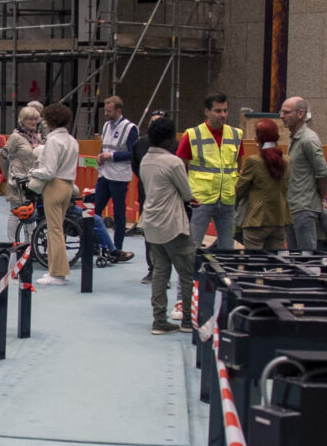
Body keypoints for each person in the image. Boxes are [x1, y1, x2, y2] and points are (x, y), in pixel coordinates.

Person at [137, 116, 196, 332]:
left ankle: (159, 321)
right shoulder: (173, 162)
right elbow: (187, 193)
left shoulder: (145, 160)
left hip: (151, 224)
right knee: (188, 273)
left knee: (160, 274)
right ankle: (189, 320)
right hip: (172, 225)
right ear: (170, 138)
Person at [183, 91, 242, 253]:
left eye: (225, 110)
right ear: (207, 112)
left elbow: (238, 165)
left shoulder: (236, 134)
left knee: (227, 249)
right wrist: (186, 195)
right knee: (193, 246)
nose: (223, 115)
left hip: (227, 199)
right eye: (218, 111)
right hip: (200, 200)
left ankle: (223, 278)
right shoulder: (192, 135)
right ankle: (188, 278)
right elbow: (180, 166)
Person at [35, 102, 81, 284]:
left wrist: (33, 172)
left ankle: (58, 273)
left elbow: (48, 171)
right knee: (57, 229)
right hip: (68, 185)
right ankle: (56, 269)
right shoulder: (72, 140)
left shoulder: (53, 141)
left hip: (54, 186)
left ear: (50, 120)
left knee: (54, 230)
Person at [281, 95, 327, 252]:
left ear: (300, 113)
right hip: (292, 207)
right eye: (281, 112)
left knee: (306, 259)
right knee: (294, 258)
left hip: (303, 209)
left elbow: (323, 173)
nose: (282, 116)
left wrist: (319, 198)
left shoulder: (308, 140)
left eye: (286, 112)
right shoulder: (295, 138)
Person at [235, 117, 293, 250]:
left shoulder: (254, 161)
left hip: (256, 220)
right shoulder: (287, 161)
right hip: (279, 219)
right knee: (275, 262)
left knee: (255, 263)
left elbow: (239, 189)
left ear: (257, 138)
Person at [93, 95, 139, 259]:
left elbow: (132, 154)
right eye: (105, 110)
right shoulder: (106, 125)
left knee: (119, 214)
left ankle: (117, 248)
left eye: (109, 111)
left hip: (119, 176)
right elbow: (104, 147)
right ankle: (96, 244)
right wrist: (100, 155)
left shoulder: (130, 128)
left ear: (119, 110)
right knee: (94, 211)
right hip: (104, 174)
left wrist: (110, 156)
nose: (106, 113)